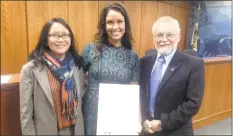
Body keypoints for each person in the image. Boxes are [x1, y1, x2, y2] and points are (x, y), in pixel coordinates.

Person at [140, 16, 205, 136]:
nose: (164, 39)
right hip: (146, 130)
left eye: (169, 35)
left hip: (175, 131)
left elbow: (192, 104)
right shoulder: (144, 62)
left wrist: (162, 124)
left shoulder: (194, 64)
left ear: (178, 37)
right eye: (159, 35)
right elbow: (140, 95)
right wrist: (143, 121)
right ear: (154, 38)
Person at [81, 3, 140, 135]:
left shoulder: (132, 57)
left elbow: (133, 94)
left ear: (126, 25)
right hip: (92, 116)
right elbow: (76, 80)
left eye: (119, 21)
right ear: (104, 25)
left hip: (118, 117)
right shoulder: (90, 50)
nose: (115, 27)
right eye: (110, 22)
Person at [20, 18, 85, 135]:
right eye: (55, 35)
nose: (61, 39)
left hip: (75, 131)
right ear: (45, 40)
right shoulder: (30, 70)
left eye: (65, 35)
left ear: (70, 39)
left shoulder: (77, 66)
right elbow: (26, 115)